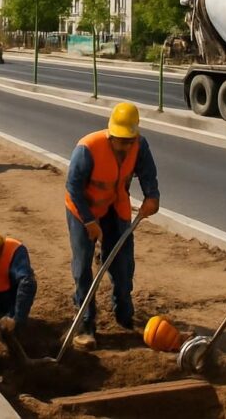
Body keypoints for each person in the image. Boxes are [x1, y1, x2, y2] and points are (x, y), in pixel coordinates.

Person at [64, 101, 160, 351]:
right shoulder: (88, 148)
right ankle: (86, 324)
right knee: (83, 265)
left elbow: (148, 174)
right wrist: (89, 222)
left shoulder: (139, 145)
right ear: (111, 133)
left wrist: (152, 197)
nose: (124, 145)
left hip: (115, 206)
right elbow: (73, 187)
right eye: (120, 140)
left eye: (129, 140)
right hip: (82, 210)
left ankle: (124, 314)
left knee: (123, 261)